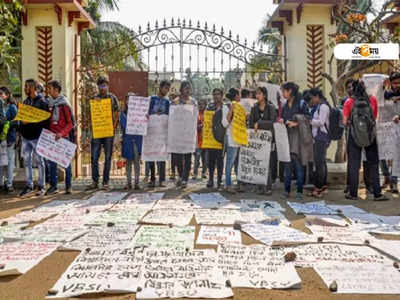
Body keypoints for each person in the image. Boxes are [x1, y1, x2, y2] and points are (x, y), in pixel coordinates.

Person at [342, 80, 388, 201]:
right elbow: (374, 117)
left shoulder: (349, 102)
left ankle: (353, 193)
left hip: (354, 136)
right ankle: (377, 193)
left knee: (354, 165)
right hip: (370, 136)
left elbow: (344, 122)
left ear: (353, 89)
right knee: (373, 164)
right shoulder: (372, 100)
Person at [86, 76, 119, 191]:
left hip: (108, 132)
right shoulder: (94, 99)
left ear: (108, 86)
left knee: (108, 157)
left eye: (104, 85)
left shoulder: (112, 98)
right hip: (97, 132)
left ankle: (106, 182)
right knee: (94, 157)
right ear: (98, 87)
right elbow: (90, 115)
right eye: (100, 86)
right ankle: (95, 181)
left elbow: (116, 113)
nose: (102, 88)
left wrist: (113, 127)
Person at [280, 82, 312, 200]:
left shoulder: (302, 103)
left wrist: (296, 122)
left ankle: (299, 191)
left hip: (298, 139)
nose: (283, 93)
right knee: (288, 165)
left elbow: (309, 118)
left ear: (290, 91)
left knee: (298, 166)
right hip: (287, 138)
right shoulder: (284, 105)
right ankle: (287, 190)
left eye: (284, 91)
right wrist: (282, 121)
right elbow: (283, 117)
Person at [19, 79, 49, 197]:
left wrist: (30, 121)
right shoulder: (25, 102)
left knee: (40, 162)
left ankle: (41, 186)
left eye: (27, 87)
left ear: (33, 88)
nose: (25, 89)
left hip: (37, 136)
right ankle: (29, 185)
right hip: (26, 137)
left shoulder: (42, 102)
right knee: (27, 162)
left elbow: (45, 120)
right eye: (25, 86)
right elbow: (22, 117)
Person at [45, 80, 74, 195]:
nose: (48, 91)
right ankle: (54, 186)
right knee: (52, 163)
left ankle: (68, 186)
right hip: (52, 137)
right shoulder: (49, 103)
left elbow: (70, 123)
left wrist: (61, 133)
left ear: (56, 90)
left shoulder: (64, 104)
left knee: (66, 162)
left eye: (50, 89)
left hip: (63, 137)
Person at [249, 86, 278, 195]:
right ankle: (260, 186)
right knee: (258, 163)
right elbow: (251, 124)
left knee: (268, 163)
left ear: (264, 95)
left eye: (259, 94)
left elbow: (272, 121)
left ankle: (268, 186)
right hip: (257, 140)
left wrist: (259, 123)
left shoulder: (271, 107)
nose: (257, 96)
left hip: (268, 140)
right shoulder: (254, 108)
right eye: (256, 94)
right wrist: (255, 124)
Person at [171, 81, 197, 189]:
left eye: (189, 88)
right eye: (185, 88)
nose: (187, 90)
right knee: (177, 157)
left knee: (187, 157)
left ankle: (185, 179)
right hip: (177, 134)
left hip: (188, 134)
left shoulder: (193, 102)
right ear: (181, 90)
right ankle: (181, 176)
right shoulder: (174, 102)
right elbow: (171, 118)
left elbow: (195, 118)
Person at [147, 80, 171, 188]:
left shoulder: (167, 102)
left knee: (162, 155)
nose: (166, 91)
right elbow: (146, 113)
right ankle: (152, 178)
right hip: (152, 131)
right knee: (152, 155)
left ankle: (162, 179)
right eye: (165, 88)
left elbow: (170, 116)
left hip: (162, 132)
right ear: (160, 87)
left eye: (168, 89)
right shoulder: (151, 99)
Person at [309, 88, 330, 198]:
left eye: (313, 97)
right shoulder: (321, 106)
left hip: (321, 138)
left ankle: (318, 188)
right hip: (319, 138)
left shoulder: (323, 107)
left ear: (317, 96)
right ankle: (323, 186)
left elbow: (321, 122)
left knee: (319, 164)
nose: (312, 100)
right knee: (322, 162)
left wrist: (310, 121)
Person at [120, 93, 142, 190]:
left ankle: (137, 183)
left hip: (137, 140)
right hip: (128, 140)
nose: (130, 102)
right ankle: (129, 183)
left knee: (137, 162)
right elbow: (125, 126)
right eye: (128, 100)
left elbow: (142, 124)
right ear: (126, 102)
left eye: (132, 100)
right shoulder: (123, 113)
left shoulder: (140, 113)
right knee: (128, 162)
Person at [382, 72, 400, 193]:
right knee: (386, 155)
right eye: (394, 83)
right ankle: (389, 178)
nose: (397, 85)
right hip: (389, 128)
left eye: (399, 82)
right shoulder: (388, 94)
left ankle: (393, 181)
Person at [223, 88, 242, 194]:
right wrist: (231, 110)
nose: (240, 97)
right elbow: (225, 123)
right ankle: (228, 184)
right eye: (239, 95)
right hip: (231, 138)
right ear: (235, 96)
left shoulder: (239, 107)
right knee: (230, 162)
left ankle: (238, 184)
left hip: (238, 138)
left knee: (237, 162)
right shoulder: (227, 107)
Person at [206, 88, 225, 189]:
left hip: (221, 138)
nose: (216, 96)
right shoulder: (209, 107)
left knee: (220, 160)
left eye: (218, 94)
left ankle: (219, 180)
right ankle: (210, 179)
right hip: (211, 138)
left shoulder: (226, 106)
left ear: (222, 95)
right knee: (211, 160)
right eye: (214, 94)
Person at [0, 86, 16, 193]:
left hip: (9, 138)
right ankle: (1, 183)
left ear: (7, 94)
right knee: (1, 162)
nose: (0, 95)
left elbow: (17, 121)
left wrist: (7, 124)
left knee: (9, 161)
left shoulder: (12, 107)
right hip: (1, 138)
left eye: (2, 93)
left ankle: (9, 183)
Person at [193, 98, 207, 180]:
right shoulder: (196, 114)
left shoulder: (208, 114)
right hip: (197, 140)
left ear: (205, 105)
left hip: (205, 140)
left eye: (202, 104)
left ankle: (204, 172)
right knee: (196, 158)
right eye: (199, 104)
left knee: (205, 159)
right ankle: (195, 173)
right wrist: (199, 126)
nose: (201, 106)